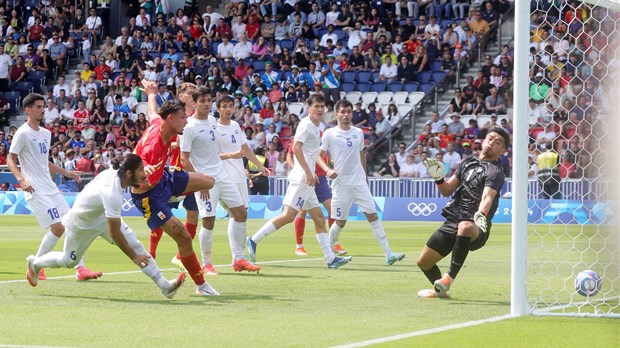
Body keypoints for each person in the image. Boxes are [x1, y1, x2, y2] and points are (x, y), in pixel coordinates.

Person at [26, 155, 186, 299]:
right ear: (129, 173)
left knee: (136, 245)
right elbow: (115, 233)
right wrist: (133, 257)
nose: (144, 173)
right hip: (81, 224)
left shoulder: (119, 173)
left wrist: (141, 180)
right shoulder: (112, 193)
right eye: (140, 170)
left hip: (102, 216)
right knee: (69, 261)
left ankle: (166, 287)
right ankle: (36, 263)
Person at [130, 79, 218, 296]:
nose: (186, 123)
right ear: (171, 120)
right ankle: (201, 286)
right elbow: (134, 164)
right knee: (183, 237)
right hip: (149, 195)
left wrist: (151, 93)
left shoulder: (158, 124)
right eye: (183, 119)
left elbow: (152, 112)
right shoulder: (152, 146)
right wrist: (145, 169)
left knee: (209, 181)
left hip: (166, 178)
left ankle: (172, 199)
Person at [246, 94, 352, 269]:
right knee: (288, 216)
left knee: (318, 217)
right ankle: (254, 239)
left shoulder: (316, 126)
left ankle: (330, 258)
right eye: (316, 106)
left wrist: (312, 173)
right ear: (309, 108)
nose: (320, 109)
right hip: (302, 179)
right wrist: (309, 172)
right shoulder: (306, 124)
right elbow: (296, 149)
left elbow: (310, 153)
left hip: (307, 179)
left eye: (322, 106)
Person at [7, 93, 102, 282]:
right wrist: (21, 179)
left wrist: (67, 173)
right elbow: (11, 158)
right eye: (38, 107)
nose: (42, 110)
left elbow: (45, 162)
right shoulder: (23, 133)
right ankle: (38, 265)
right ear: (28, 110)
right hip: (34, 188)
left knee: (73, 225)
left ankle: (80, 269)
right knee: (58, 228)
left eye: (43, 107)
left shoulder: (46, 133)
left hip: (50, 187)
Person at [416, 126, 510, 298]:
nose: (491, 143)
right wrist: (438, 178)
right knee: (423, 262)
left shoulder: (495, 172)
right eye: (490, 138)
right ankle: (442, 292)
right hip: (453, 219)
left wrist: (481, 215)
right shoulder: (467, 163)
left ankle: (448, 279)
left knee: (465, 227)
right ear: (483, 141)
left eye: (497, 143)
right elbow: (447, 190)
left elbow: (487, 197)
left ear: (502, 150)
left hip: (476, 225)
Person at [180, 89, 263, 274]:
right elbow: (184, 159)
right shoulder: (189, 127)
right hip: (205, 180)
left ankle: (239, 259)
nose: (207, 104)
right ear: (195, 103)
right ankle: (206, 263)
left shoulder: (212, 121)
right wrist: (198, 180)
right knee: (208, 220)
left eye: (209, 100)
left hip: (222, 175)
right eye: (203, 101)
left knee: (241, 213)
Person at [320, 100, 406, 265]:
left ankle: (389, 254)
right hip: (341, 184)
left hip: (359, 182)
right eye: (343, 112)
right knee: (340, 221)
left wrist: (365, 178)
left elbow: (361, 155)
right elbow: (319, 155)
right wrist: (328, 170)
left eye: (349, 112)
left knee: (373, 216)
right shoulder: (329, 133)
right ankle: (329, 257)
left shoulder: (358, 132)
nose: (346, 115)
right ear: (336, 114)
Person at [216, 94, 271, 271]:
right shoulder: (214, 129)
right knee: (235, 214)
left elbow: (245, 148)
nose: (227, 109)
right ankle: (236, 258)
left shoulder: (235, 126)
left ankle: (239, 257)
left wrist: (259, 166)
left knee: (243, 214)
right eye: (224, 106)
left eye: (230, 105)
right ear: (218, 109)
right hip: (224, 176)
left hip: (239, 174)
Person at [148, 83, 199, 263]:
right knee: (161, 215)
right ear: (181, 97)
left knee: (193, 215)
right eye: (190, 94)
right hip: (175, 174)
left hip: (192, 173)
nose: (194, 97)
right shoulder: (177, 121)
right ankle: (151, 253)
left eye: (195, 94)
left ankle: (180, 256)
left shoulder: (198, 119)